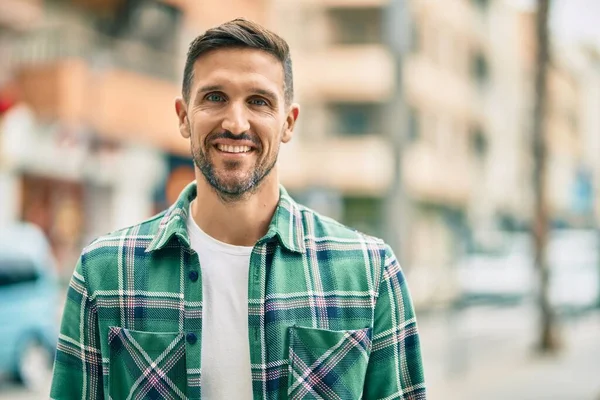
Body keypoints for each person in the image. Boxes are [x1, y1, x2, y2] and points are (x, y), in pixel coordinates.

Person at [50, 18, 426, 400]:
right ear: (183, 116)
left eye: (259, 102)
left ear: (288, 123)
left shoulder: (369, 273)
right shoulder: (103, 273)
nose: (235, 122)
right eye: (214, 97)